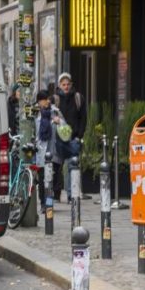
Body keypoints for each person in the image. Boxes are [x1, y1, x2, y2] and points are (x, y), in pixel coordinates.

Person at [52, 73, 86, 202]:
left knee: (73, 166)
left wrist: (79, 135)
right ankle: (56, 194)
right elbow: (48, 115)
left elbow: (83, 118)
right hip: (58, 138)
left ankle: (72, 195)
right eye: (63, 84)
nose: (66, 87)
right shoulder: (54, 99)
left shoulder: (78, 98)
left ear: (71, 85)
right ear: (59, 85)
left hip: (73, 138)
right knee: (56, 167)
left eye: (68, 84)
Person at [35, 89, 66, 211]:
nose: (47, 101)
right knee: (42, 179)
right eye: (44, 99)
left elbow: (65, 128)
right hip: (41, 151)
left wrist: (60, 122)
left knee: (50, 180)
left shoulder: (55, 112)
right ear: (39, 101)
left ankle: (49, 203)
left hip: (53, 151)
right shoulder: (35, 113)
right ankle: (43, 203)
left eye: (48, 99)